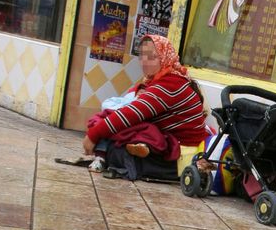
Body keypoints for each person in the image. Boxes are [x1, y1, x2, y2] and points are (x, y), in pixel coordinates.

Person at [82, 34, 208, 180]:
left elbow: (130, 113)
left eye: (152, 57)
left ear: (164, 57)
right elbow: (129, 106)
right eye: (141, 56)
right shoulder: (158, 81)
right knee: (114, 131)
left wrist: (93, 136)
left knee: (116, 149)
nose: (144, 62)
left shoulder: (171, 84)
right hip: (170, 146)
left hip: (181, 157)